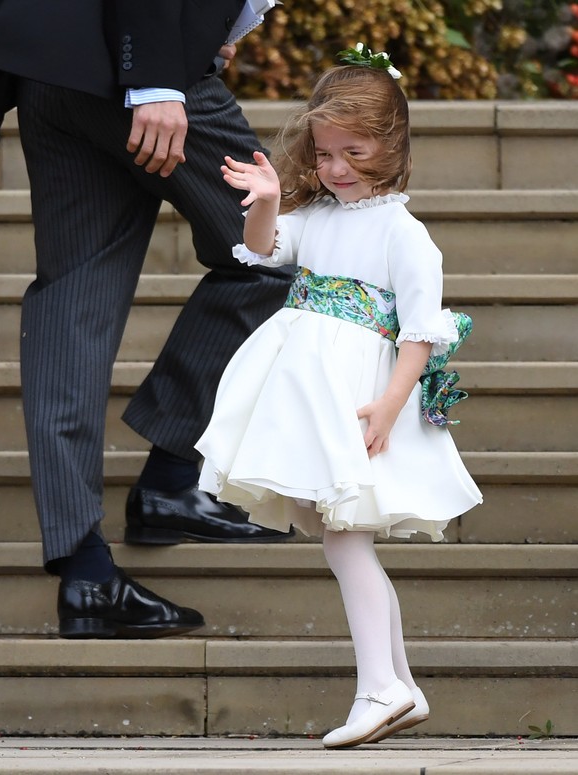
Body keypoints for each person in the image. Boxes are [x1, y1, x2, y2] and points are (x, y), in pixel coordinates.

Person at [195, 45, 483, 748]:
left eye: (352, 151)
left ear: (392, 145)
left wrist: (389, 405)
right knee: (336, 535)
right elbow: (264, 248)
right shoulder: (317, 218)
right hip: (305, 390)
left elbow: (420, 331)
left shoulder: (404, 234)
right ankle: (401, 684)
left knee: (345, 538)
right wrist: (264, 202)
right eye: (323, 153)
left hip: (357, 397)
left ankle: (380, 686)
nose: (334, 167)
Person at [0, 0, 294, 639]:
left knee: (73, 301)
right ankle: (170, 478)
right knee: (287, 255)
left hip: (50, 67)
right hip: (142, 71)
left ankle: (86, 570)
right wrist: (155, 75)